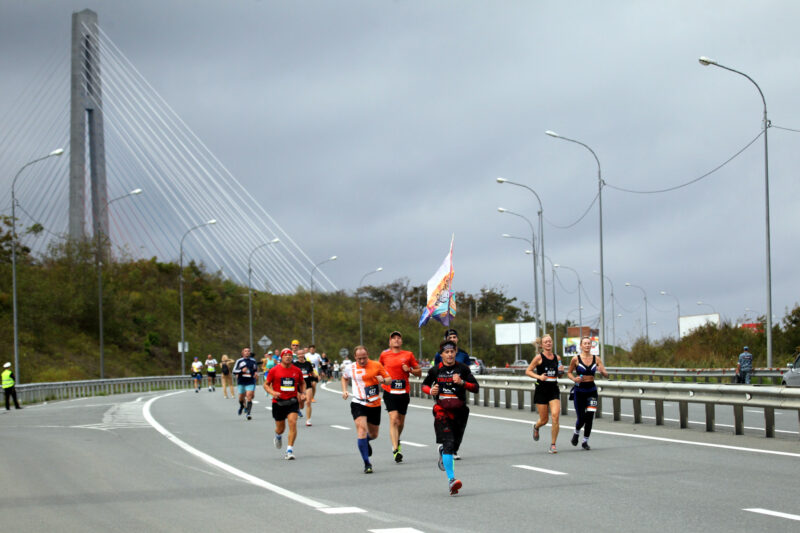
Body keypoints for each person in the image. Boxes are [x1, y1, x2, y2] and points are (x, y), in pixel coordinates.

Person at [422, 339, 479, 495]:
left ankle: (443, 452)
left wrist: (462, 383)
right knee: (448, 442)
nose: (449, 354)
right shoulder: (435, 370)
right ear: (441, 355)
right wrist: (430, 391)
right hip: (442, 411)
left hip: (460, 411)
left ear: (455, 352)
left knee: (454, 447)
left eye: (452, 351)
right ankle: (451, 480)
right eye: (446, 352)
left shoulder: (463, 369)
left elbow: (476, 388)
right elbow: (424, 385)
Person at [341, 345, 390, 474]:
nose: (362, 361)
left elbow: (389, 380)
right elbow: (344, 377)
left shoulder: (376, 365)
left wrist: (383, 380)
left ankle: (365, 441)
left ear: (367, 355)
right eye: (359, 359)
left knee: (374, 434)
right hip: (358, 402)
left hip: (374, 403)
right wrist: (345, 390)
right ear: (355, 357)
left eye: (364, 358)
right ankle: (367, 463)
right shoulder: (350, 367)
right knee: (361, 429)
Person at [379, 330, 422, 462]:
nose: (396, 340)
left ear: (401, 341)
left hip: (403, 392)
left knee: (401, 422)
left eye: (398, 338)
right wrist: (381, 379)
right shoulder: (384, 355)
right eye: (393, 338)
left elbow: (419, 372)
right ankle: (395, 448)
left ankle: (396, 438)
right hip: (389, 391)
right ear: (390, 342)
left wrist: (409, 370)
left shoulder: (408, 355)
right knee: (394, 419)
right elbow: (378, 370)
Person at [432, 328, 470, 459]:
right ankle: (448, 445)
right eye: (450, 337)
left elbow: (468, 373)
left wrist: (462, 381)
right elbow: (436, 370)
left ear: (457, 339)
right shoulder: (439, 355)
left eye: (454, 337)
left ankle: (453, 448)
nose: (452, 339)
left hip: (459, 394)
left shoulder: (464, 355)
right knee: (445, 419)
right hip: (443, 393)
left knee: (458, 424)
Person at [566, 337, 608, 450]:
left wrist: (602, 372)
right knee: (581, 417)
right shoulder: (576, 359)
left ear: (591, 346)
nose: (587, 345)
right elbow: (569, 373)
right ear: (581, 345)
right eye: (585, 343)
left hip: (592, 391)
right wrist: (574, 379)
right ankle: (576, 432)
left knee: (590, 417)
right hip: (579, 391)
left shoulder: (596, 359)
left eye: (589, 343)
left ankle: (585, 441)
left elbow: (606, 374)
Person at [264, 348, 306, 460]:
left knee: (293, 422)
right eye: (285, 355)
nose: (288, 357)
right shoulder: (274, 370)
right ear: (281, 357)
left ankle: (289, 450)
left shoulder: (297, 370)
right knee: (280, 428)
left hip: (292, 401)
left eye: (290, 355)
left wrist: (302, 393)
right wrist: (272, 392)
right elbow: (266, 384)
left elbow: (302, 383)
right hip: (278, 402)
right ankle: (278, 436)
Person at [525, 334, 563, 454]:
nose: (548, 343)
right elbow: (528, 371)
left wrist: (561, 371)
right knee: (544, 420)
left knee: (556, 416)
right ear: (541, 345)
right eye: (546, 342)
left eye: (550, 341)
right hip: (541, 390)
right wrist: (539, 377)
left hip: (553, 389)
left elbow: (560, 374)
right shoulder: (538, 358)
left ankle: (553, 444)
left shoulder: (557, 358)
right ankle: (536, 427)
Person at [232, 347, 259, 420]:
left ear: (250, 353)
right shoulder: (239, 361)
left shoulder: (253, 361)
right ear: (242, 353)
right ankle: (241, 406)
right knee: (241, 398)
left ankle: (248, 413)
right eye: (245, 351)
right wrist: (241, 371)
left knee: (249, 396)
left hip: (250, 381)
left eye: (248, 351)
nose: (247, 352)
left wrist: (256, 374)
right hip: (241, 381)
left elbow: (255, 369)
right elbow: (234, 371)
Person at [293, 351, 318, 426]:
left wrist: (316, 375)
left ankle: (308, 420)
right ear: (297, 355)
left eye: (302, 354)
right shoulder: (294, 365)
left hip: (307, 384)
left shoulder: (308, 363)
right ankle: (298, 408)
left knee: (308, 402)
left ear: (304, 355)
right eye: (299, 354)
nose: (301, 355)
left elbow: (312, 372)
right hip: (298, 386)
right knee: (301, 405)